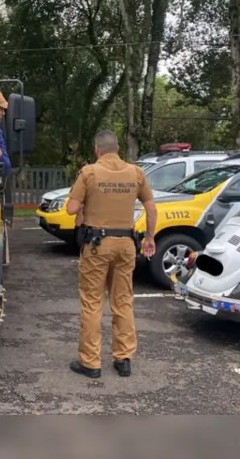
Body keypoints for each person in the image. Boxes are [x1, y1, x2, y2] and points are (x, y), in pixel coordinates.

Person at [65, 130, 157, 378]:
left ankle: (90, 362)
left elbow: (71, 208)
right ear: (117, 148)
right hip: (126, 242)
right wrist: (149, 237)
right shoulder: (136, 173)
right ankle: (123, 358)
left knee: (93, 303)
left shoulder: (90, 172)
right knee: (123, 301)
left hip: (97, 244)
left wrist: (83, 203)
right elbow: (150, 206)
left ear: (97, 150)